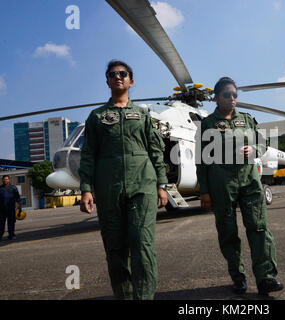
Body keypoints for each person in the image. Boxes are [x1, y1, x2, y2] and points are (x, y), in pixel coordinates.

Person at [78, 60, 168, 300]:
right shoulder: (97, 117)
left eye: (123, 73)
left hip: (143, 186)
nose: (118, 77)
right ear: (107, 80)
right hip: (109, 189)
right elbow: (88, 155)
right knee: (115, 249)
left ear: (131, 80)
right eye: (112, 74)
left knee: (142, 244)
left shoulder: (142, 115)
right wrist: (86, 189)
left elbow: (156, 151)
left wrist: (161, 184)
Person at [196, 77, 283, 296]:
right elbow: (201, 159)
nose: (232, 98)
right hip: (221, 184)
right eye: (227, 95)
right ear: (216, 98)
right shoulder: (207, 124)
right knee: (228, 233)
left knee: (259, 227)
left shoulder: (247, 119)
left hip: (250, 181)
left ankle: (266, 278)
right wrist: (204, 190)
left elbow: (263, 144)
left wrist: (254, 149)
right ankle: (238, 278)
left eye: (235, 95)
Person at [0, 175, 22, 241]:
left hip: (11, 209)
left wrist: (19, 206)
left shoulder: (13, 188)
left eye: (6, 179)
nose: (5, 180)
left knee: (11, 223)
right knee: (1, 224)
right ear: (2, 180)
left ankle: (11, 235)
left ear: (9, 180)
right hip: (1, 210)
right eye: (4, 179)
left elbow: (17, 198)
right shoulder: (0, 188)